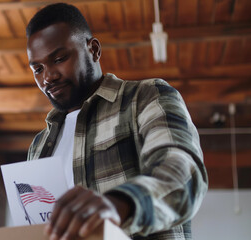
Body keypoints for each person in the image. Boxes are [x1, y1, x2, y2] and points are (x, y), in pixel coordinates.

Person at [25, 3, 208, 240]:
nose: (48, 76)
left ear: (93, 50)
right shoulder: (38, 146)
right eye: (37, 68)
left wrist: (119, 205)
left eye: (59, 58)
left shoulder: (147, 97)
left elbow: (182, 175)